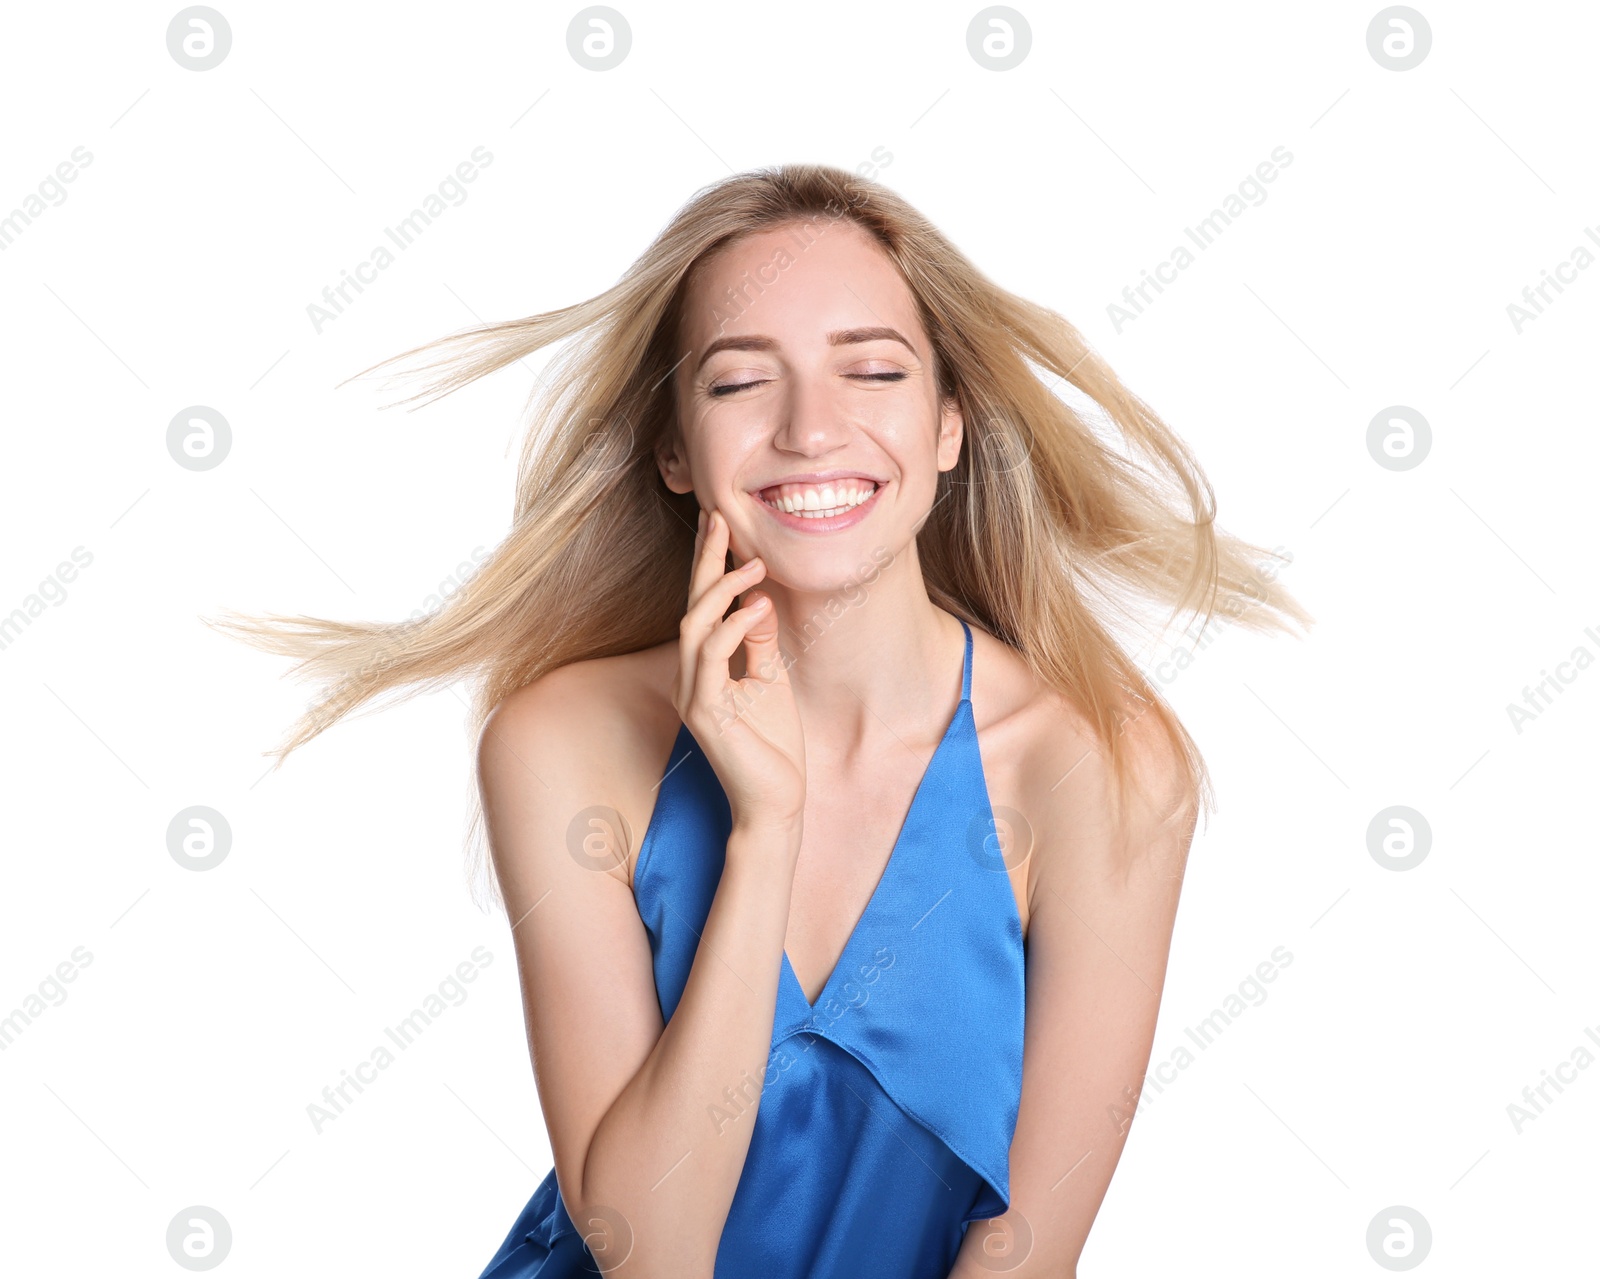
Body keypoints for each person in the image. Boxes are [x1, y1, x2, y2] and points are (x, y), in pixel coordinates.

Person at [211, 163, 1309, 1277]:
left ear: (946, 426)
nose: (810, 429)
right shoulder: (561, 740)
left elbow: (1024, 1258)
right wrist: (763, 826)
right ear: (676, 451)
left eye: (873, 370)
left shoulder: (1104, 764)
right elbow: (652, 1251)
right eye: (740, 384)